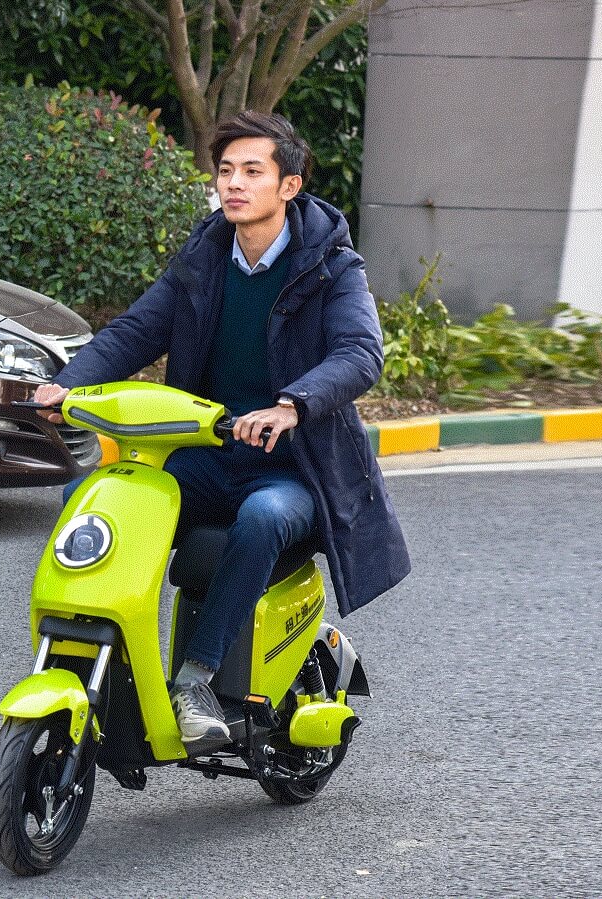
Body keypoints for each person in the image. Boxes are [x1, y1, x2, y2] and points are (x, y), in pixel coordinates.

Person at [33, 111, 411, 745]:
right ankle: (103, 659)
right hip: (208, 454)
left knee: (262, 517)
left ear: (289, 186)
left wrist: (292, 404)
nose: (234, 184)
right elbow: (136, 331)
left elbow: (360, 352)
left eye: (252, 171)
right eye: (226, 171)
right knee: (91, 497)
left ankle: (196, 679)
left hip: (295, 468)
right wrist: (69, 385)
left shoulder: (332, 267)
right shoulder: (204, 258)